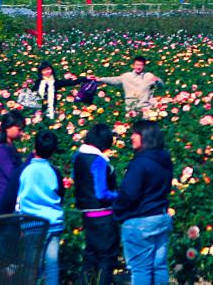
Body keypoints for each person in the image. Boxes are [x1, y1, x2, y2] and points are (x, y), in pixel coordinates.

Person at [115, 120, 173, 285]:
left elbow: (128, 194)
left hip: (140, 220)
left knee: (140, 269)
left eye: (135, 134)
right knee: (159, 267)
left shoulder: (140, 163)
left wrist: (117, 210)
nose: (131, 137)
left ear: (145, 137)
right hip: (159, 216)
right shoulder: (164, 160)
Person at [17, 129, 65, 285]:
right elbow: (61, 195)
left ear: (35, 147)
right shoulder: (54, 172)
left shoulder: (26, 171)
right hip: (53, 223)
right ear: (53, 151)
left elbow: (19, 197)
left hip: (32, 223)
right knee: (52, 265)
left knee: (32, 266)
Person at [75, 123, 120, 285]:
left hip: (87, 214)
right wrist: (119, 196)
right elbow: (102, 192)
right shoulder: (99, 161)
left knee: (90, 257)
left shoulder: (78, 157)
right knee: (106, 259)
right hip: (103, 216)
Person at [94, 56, 165, 114]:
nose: (139, 67)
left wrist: (158, 81)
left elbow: (161, 86)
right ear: (133, 66)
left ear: (144, 66)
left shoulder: (148, 76)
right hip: (131, 109)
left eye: (141, 65)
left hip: (145, 108)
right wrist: (100, 79)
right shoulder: (127, 76)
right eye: (137, 65)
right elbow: (114, 80)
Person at [0, 110, 26, 216]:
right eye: (19, 129)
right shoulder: (1, 150)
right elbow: (12, 174)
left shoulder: (10, 148)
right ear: (8, 127)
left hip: (11, 204)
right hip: (3, 206)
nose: (21, 133)